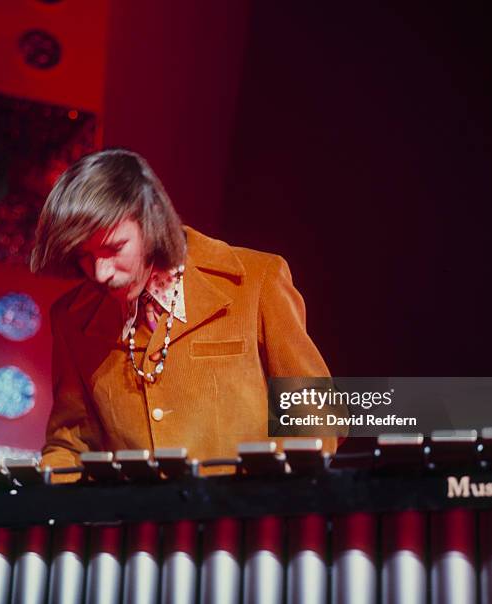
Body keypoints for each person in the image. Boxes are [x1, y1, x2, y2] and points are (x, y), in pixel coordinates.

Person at [30, 148, 345, 481]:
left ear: (151, 221)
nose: (101, 272)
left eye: (114, 248)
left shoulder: (257, 280)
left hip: (246, 525)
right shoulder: (72, 318)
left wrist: (258, 502)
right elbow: (71, 445)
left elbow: (316, 419)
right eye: (85, 256)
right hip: (141, 530)